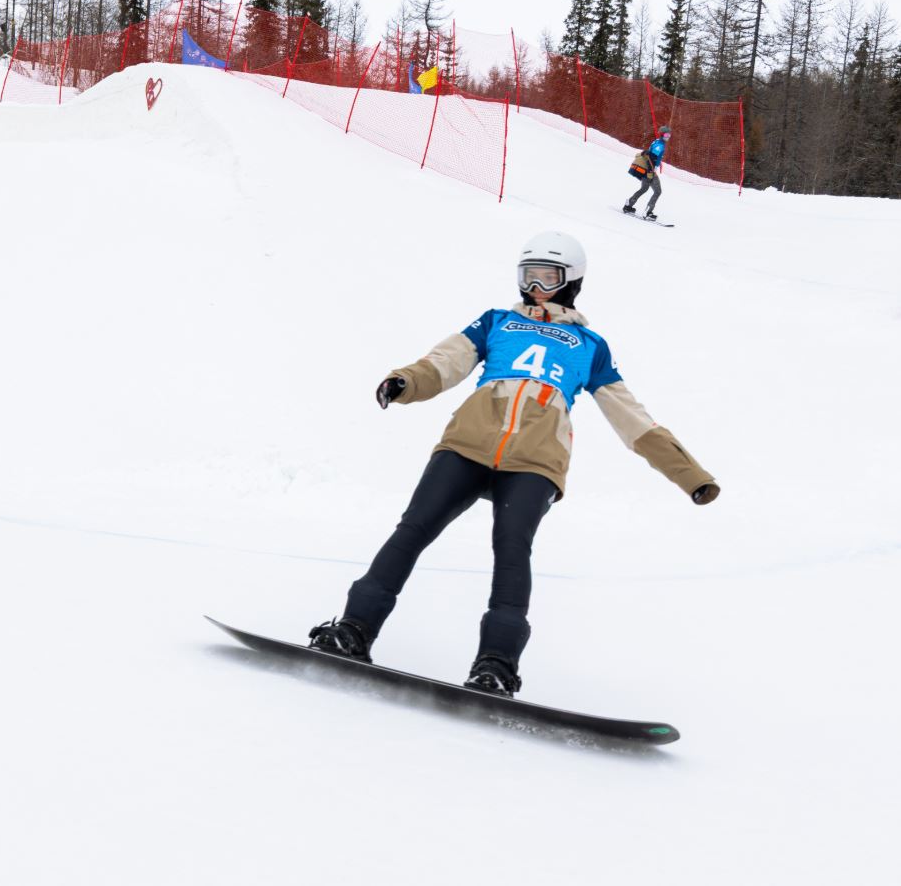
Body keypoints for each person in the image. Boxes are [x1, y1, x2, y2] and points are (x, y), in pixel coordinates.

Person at [307, 231, 719, 697]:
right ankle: (354, 629)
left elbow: (632, 417)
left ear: (572, 281)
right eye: (529, 276)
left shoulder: (590, 345)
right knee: (413, 528)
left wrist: (690, 476)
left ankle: (496, 665)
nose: (535, 288)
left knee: (511, 549)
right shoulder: (496, 322)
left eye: (548, 277)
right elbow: (445, 361)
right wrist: (406, 381)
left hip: (536, 459)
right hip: (468, 442)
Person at [624, 124, 671, 219]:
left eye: (669, 135)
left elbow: (650, 155)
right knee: (657, 191)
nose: (668, 137)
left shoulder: (656, 142)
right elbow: (652, 158)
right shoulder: (660, 145)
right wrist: (650, 171)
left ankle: (628, 204)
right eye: (666, 135)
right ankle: (648, 212)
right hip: (650, 170)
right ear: (662, 134)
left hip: (648, 169)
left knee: (644, 188)